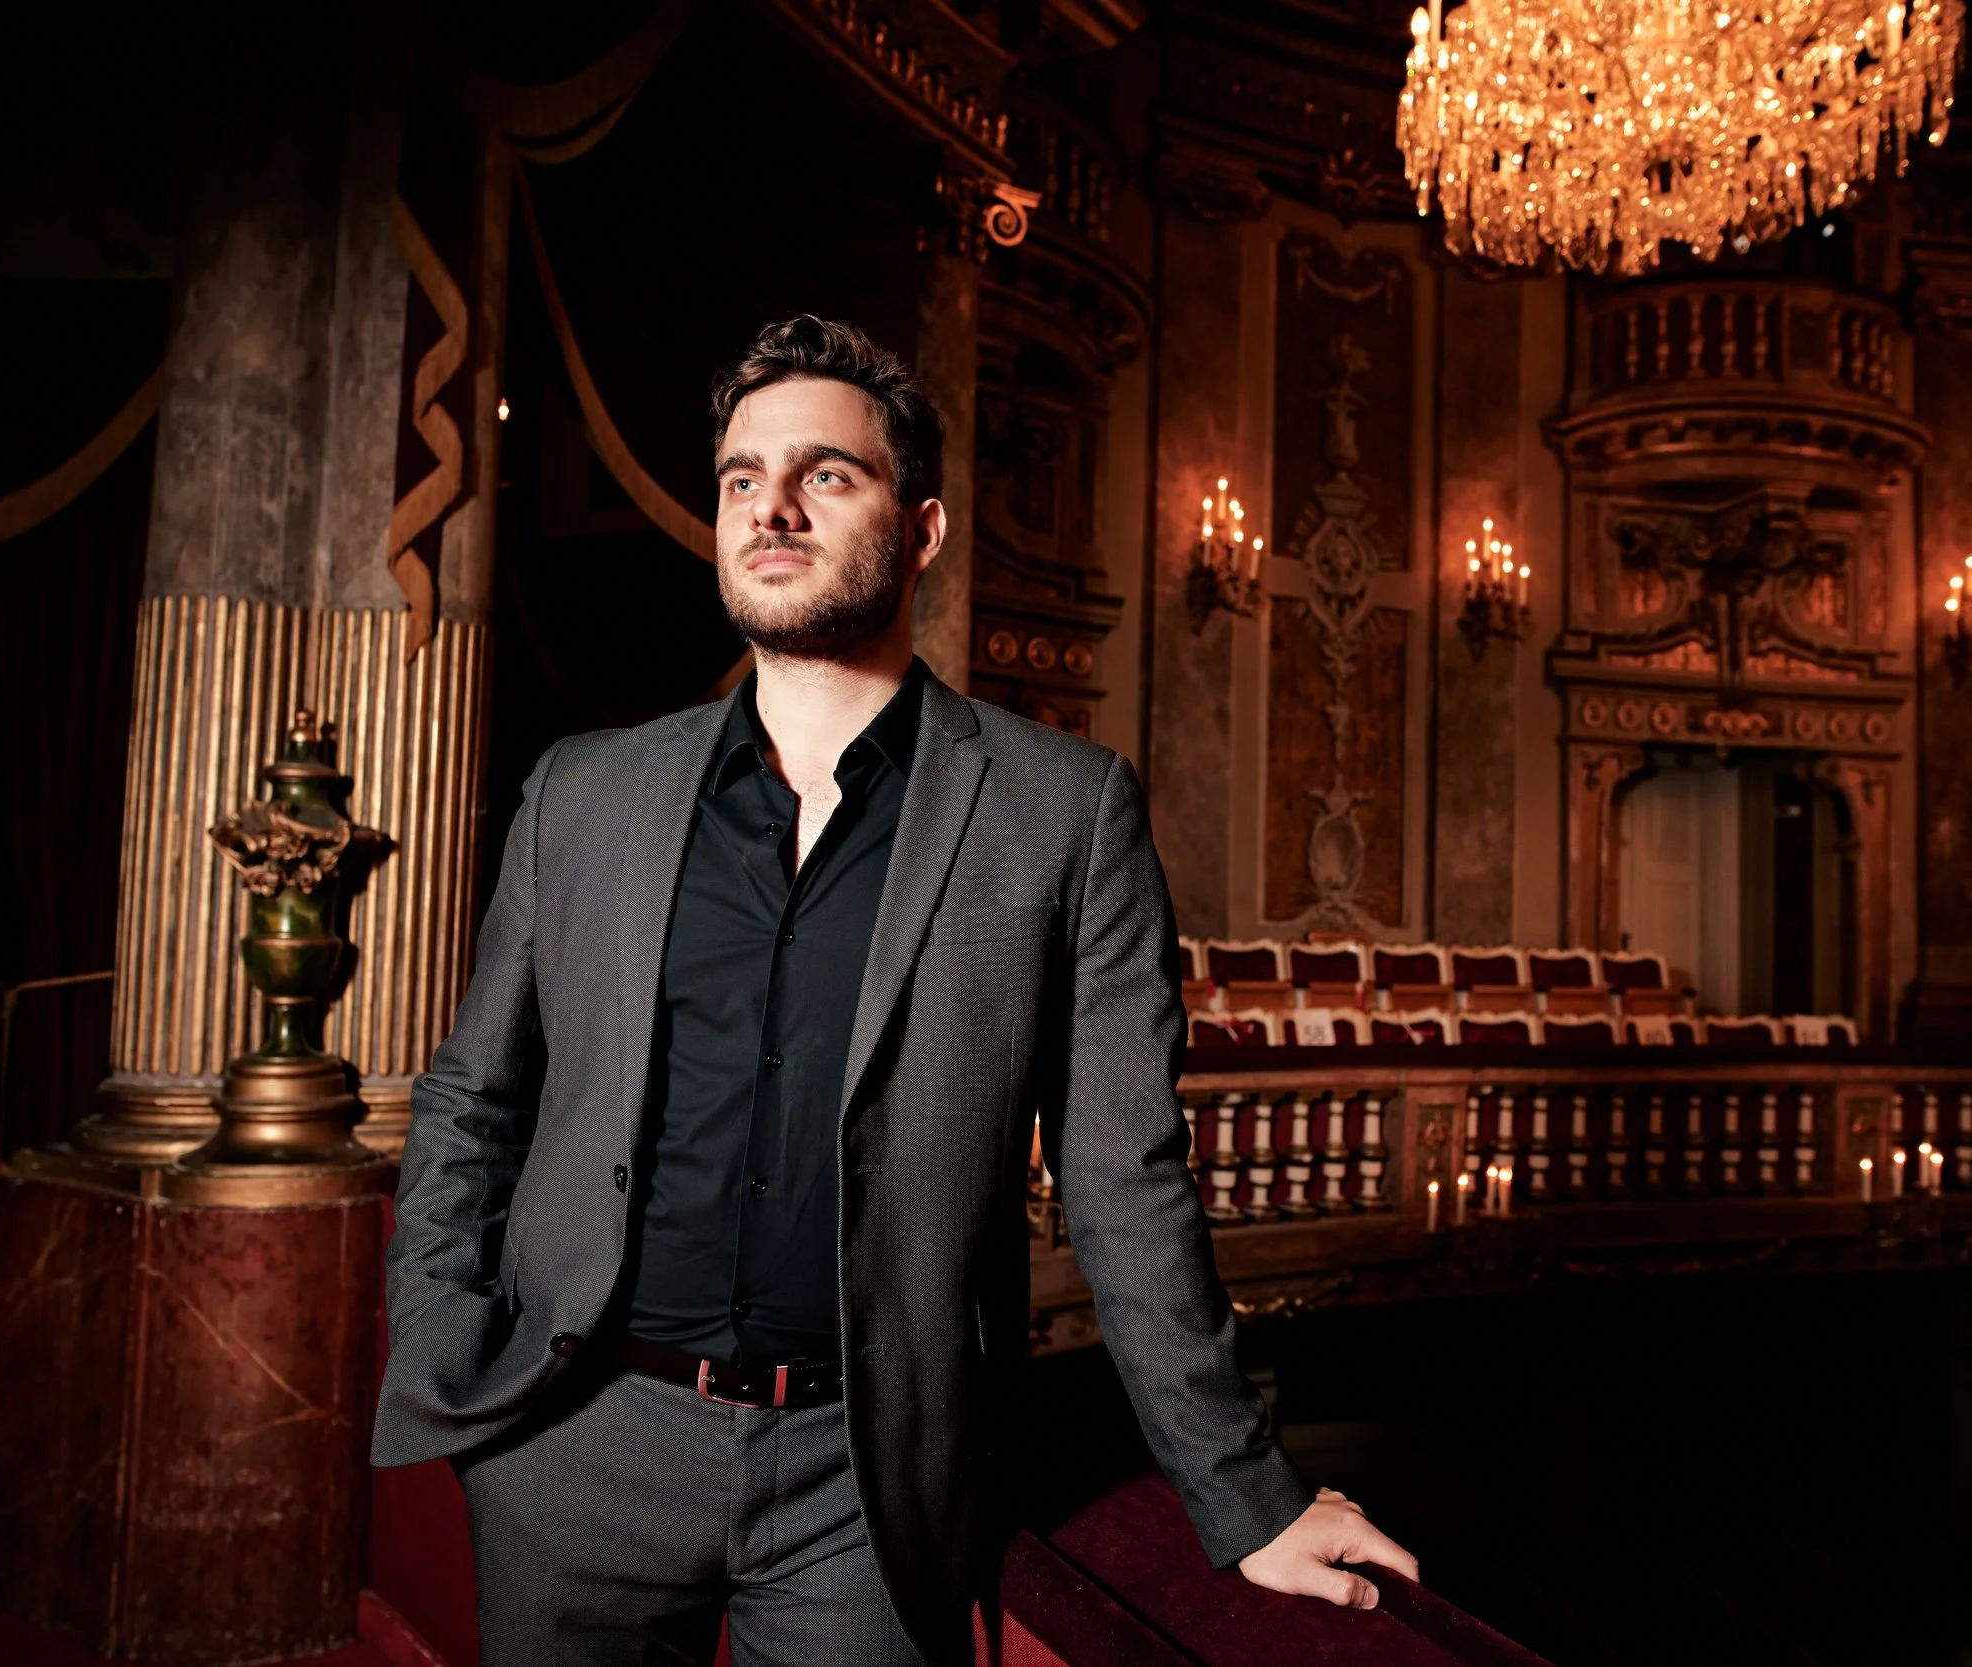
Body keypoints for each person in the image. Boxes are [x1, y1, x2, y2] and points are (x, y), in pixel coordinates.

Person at [372, 316, 1416, 1666]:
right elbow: (471, 1096)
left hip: (865, 1477)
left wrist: (1245, 1488)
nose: (773, 508)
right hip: (578, 1441)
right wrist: (454, 1347)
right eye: (743, 478)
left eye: (828, 475)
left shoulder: (1063, 809)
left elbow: (1124, 1176)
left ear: (922, 530)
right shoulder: (584, 791)